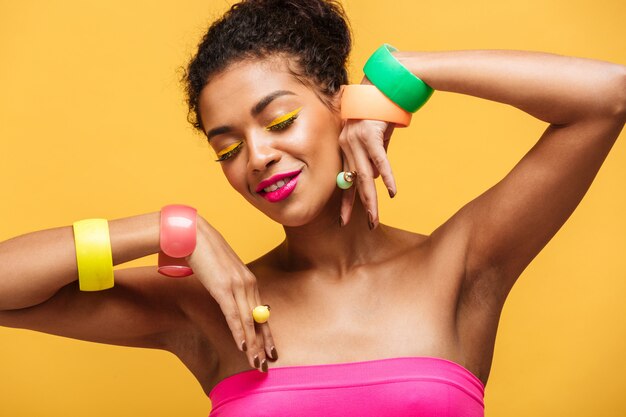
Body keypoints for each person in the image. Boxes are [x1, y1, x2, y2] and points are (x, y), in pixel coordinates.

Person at [1, 0, 624, 415]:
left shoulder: (459, 265)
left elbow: (608, 97)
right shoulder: (216, 307)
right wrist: (168, 230)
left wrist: (405, 75)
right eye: (228, 149)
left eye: (280, 119)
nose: (258, 156)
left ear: (339, 105)